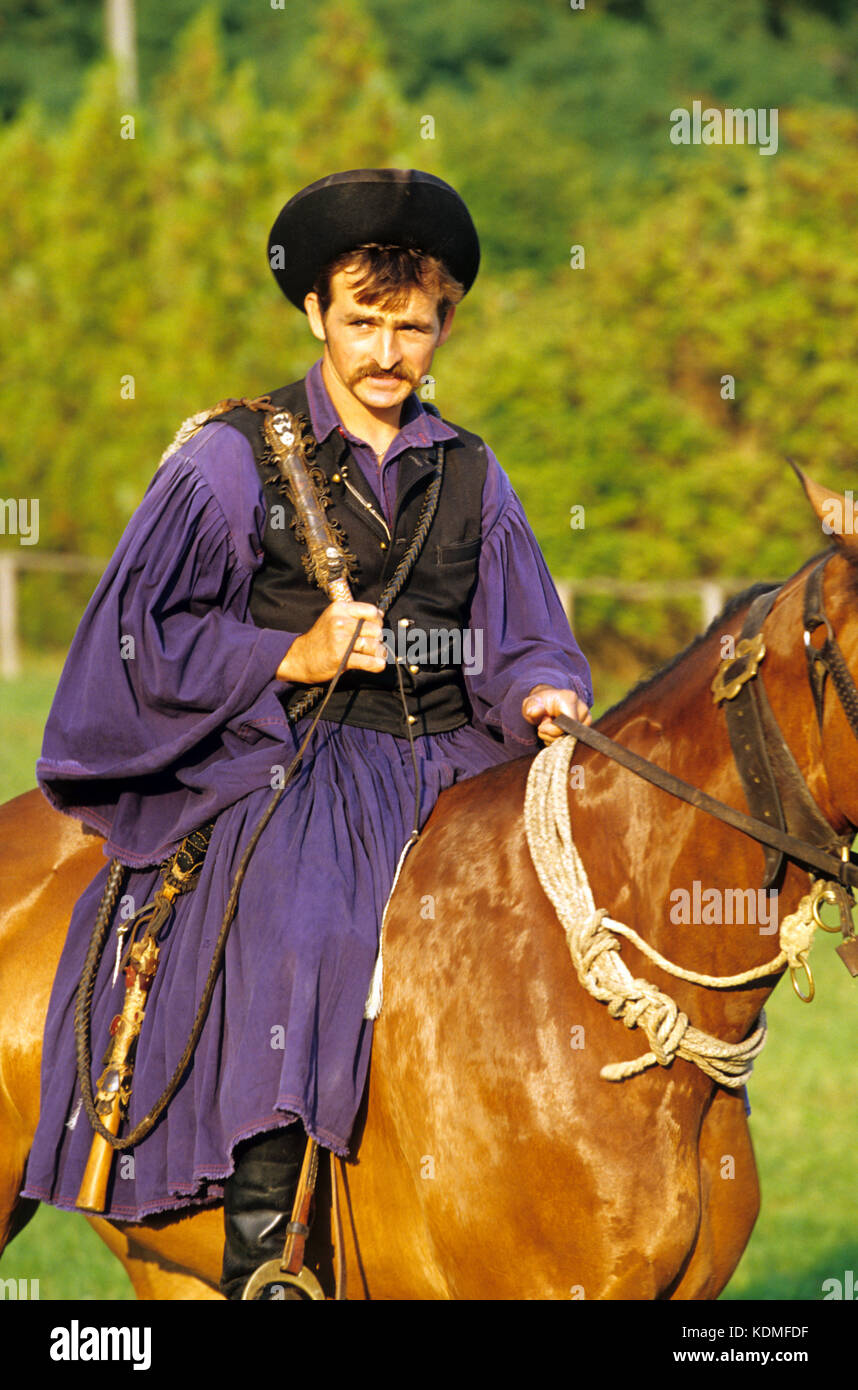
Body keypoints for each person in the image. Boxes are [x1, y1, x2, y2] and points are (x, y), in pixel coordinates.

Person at [22, 168, 592, 1299]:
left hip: (460, 759)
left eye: (412, 326)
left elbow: (521, 631)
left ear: (445, 327)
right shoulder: (234, 460)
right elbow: (136, 637)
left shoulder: (476, 471)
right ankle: (269, 1252)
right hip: (291, 760)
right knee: (313, 914)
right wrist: (288, 652)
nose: (388, 350)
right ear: (316, 316)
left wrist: (546, 695)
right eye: (364, 321)